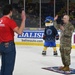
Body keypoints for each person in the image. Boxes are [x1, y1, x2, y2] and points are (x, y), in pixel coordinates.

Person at [0, 4, 26, 75]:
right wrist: (23, 20)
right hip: (9, 46)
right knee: (8, 67)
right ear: (10, 12)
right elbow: (20, 32)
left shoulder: (0, 20)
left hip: (1, 45)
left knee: (3, 66)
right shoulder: (10, 21)